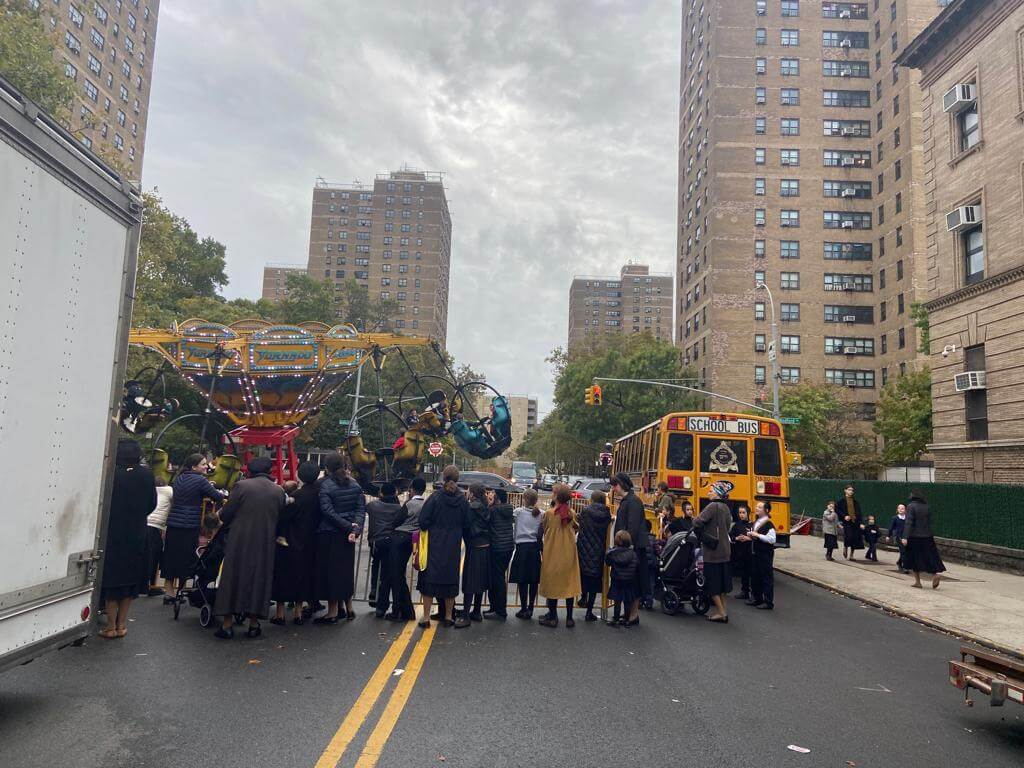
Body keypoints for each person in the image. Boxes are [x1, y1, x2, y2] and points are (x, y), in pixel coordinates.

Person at [213, 457, 287, 639]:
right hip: (265, 541)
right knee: (259, 578)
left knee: (233, 577)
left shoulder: (242, 486)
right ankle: (254, 624)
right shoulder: (278, 491)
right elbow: (281, 517)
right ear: (269, 471)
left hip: (240, 539)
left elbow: (228, 513)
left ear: (250, 471)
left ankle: (227, 624)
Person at [99, 439, 157, 639]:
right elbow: (152, 504)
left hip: (113, 532)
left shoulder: (111, 474)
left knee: (112, 581)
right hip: (138, 532)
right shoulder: (147, 475)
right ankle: (122, 625)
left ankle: (110, 627)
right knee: (129, 581)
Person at [161, 454, 225, 601]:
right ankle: (181, 590)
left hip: (173, 522)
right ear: (194, 467)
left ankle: (169, 590)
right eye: (203, 464)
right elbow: (217, 497)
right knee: (187, 557)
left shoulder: (179, 478)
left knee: (171, 556)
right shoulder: (200, 480)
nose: (206, 466)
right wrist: (215, 489)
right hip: (189, 524)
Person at [418, 465, 470, 629]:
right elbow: (467, 523)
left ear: (444, 477)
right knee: (450, 580)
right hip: (453, 544)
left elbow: (423, 520)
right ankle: (448, 616)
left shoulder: (435, 497)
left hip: (435, 543)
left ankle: (426, 618)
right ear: (457, 479)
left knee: (428, 581)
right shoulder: (462, 500)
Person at [315, 453, 365, 624]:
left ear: (327, 468)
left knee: (331, 574)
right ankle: (349, 608)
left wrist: (346, 526)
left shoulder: (326, 486)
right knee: (345, 572)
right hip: (348, 536)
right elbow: (360, 510)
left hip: (330, 534)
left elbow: (327, 512)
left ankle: (332, 612)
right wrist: (355, 528)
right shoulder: (355, 485)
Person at [271, 461, 321, 625]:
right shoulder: (320, 494)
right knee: (303, 576)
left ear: (300, 475)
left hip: (291, 540)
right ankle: (299, 612)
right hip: (312, 541)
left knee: (283, 575)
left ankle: (280, 613)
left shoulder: (296, 497)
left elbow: (283, 518)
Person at [538, 484, 581, 628]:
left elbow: (544, 527)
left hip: (553, 551)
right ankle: (569, 617)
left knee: (552, 583)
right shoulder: (571, 512)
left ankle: (553, 616)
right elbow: (575, 527)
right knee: (569, 584)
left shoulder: (550, 513)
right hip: (568, 551)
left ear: (556, 496)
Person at [385, 477, 426, 622]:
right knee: (400, 574)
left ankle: (398, 610)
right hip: (414, 539)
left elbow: (397, 520)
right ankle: (407, 610)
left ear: (412, 489)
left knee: (396, 575)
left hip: (400, 538)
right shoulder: (425, 504)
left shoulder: (409, 504)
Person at [609, 472, 647, 625]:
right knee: (632, 583)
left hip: (633, 549)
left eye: (615, 485)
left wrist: (626, 546)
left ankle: (633, 615)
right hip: (630, 548)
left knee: (635, 583)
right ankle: (630, 614)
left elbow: (633, 527)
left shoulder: (632, 502)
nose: (613, 488)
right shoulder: (630, 500)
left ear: (622, 484)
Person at [693, 481, 733, 623]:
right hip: (725, 550)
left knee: (713, 585)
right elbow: (728, 527)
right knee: (723, 585)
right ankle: (723, 610)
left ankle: (721, 613)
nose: (708, 493)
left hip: (712, 551)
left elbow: (697, 522)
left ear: (717, 493)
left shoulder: (712, 506)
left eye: (711, 490)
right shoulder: (726, 508)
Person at [365, 482, 405, 619]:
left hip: (376, 542)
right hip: (391, 542)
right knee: (386, 573)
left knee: (375, 565)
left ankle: (374, 590)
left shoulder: (372, 506)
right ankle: (382, 602)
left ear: (381, 493)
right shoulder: (398, 508)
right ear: (395, 493)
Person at [456, 483, 491, 628]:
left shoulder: (472, 507)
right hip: (486, 546)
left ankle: (465, 615)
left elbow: (467, 525)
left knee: (470, 581)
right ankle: (476, 611)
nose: (467, 494)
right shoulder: (485, 506)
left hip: (475, 546)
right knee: (480, 581)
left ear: (473, 494)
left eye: (469, 492)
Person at [576, 489, 612, 622]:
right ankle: (589, 612)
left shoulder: (585, 511)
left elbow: (579, 520)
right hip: (598, 550)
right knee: (594, 580)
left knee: (584, 575)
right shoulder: (606, 514)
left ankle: (582, 597)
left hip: (584, 549)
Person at [509, 489, 543, 619]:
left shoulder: (518, 512)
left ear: (525, 499)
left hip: (522, 548)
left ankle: (523, 608)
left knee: (522, 580)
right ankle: (531, 607)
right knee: (533, 580)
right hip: (534, 548)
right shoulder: (541, 514)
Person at [902, 489, 946, 589]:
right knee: (929, 556)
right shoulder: (927, 507)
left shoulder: (910, 506)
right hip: (927, 536)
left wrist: (905, 536)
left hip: (914, 537)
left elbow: (909, 522)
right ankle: (935, 574)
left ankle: (918, 582)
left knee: (914, 559)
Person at [484, 487, 515, 621]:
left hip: (496, 547)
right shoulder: (508, 509)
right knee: (499, 577)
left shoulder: (494, 510)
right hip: (507, 546)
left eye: (492, 495)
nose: (490, 496)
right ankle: (495, 607)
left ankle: (499, 610)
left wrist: (489, 505)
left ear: (497, 498)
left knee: (496, 579)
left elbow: (486, 520)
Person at [745, 501, 776, 610]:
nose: (756, 508)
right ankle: (757, 598)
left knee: (766, 577)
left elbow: (772, 539)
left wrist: (757, 535)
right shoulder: (756, 521)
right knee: (755, 576)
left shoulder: (769, 524)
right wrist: (749, 536)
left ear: (766, 510)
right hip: (756, 553)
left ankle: (768, 602)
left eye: (759, 507)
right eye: (756, 506)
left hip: (765, 554)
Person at [145, 476, 172, 596]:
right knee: (154, 556)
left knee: (145, 555)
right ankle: (150, 585)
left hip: (145, 523)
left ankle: (144, 584)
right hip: (155, 526)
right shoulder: (169, 491)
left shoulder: (150, 490)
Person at [605, 530, 638, 627]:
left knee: (617, 600)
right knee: (627, 600)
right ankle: (627, 620)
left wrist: (608, 551)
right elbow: (636, 563)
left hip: (617, 579)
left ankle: (616, 620)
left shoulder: (614, 553)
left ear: (617, 540)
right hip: (629, 579)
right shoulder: (632, 553)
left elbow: (608, 562)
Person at [729, 506, 753, 600]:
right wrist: (737, 538)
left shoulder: (753, 525)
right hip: (740, 552)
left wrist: (749, 538)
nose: (741, 515)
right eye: (740, 513)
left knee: (752, 573)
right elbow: (730, 536)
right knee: (743, 573)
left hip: (750, 552)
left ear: (748, 513)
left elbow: (757, 537)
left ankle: (754, 593)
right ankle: (744, 591)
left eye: (743, 512)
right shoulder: (736, 525)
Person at [836, 484, 864, 560]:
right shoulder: (841, 501)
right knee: (848, 536)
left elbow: (859, 512)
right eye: (849, 490)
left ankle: (851, 555)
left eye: (852, 490)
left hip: (855, 522)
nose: (851, 491)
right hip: (847, 522)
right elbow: (837, 510)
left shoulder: (855, 502)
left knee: (855, 538)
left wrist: (861, 523)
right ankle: (845, 547)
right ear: (845, 490)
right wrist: (844, 516)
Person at [888, 504, 909, 573]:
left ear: (905, 510)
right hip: (898, 537)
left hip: (906, 537)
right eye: (899, 508)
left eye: (902, 508)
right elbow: (891, 528)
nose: (900, 509)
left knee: (906, 551)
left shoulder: (908, 519)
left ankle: (899, 562)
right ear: (897, 510)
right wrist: (888, 536)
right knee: (903, 551)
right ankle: (905, 567)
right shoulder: (895, 518)